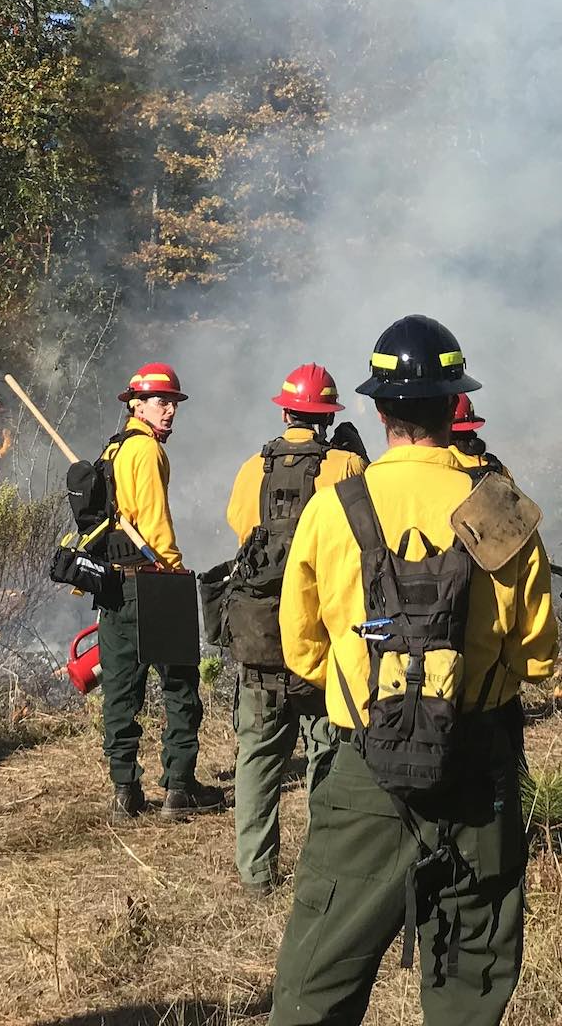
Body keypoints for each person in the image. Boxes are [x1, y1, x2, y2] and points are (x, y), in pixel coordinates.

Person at [269, 315, 557, 1026]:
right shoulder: (500, 505)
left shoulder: (335, 507)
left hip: (363, 773)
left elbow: (300, 649)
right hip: (478, 763)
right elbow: (538, 656)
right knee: (470, 985)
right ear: (454, 402)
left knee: (318, 983)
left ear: (378, 408)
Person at [221, 363, 367, 893]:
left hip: (260, 636)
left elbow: (242, 530)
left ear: (284, 411)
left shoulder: (249, 469)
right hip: (320, 634)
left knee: (258, 755)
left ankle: (256, 873)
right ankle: (322, 864)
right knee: (326, 749)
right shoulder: (347, 464)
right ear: (328, 418)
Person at [94, 361, 219, 821]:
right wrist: (177, 576)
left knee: (120, 693)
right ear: (136, 404)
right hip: (154, 582)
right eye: (161, 402)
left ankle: (125, 791)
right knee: (180, 686)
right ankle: (179, 789)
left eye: (173, 403)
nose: (169, 412)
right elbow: (155, 524)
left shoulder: (112, 450)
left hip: (114, 585)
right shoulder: (145, 452)